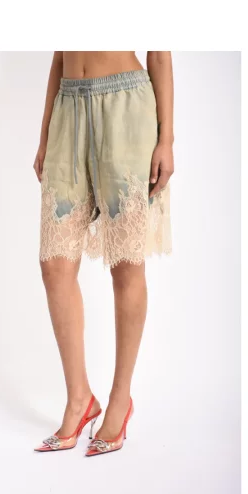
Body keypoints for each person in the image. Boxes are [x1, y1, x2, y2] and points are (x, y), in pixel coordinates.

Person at [33, 52, 174, 456]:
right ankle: (80, 399)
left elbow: (159, 55)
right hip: (68, 109)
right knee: (54, 264)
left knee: (126, 264)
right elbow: (59, 56)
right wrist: (45, 135)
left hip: (126, 108)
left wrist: (166, 140)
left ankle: (120, 399)